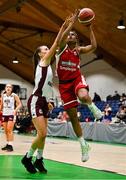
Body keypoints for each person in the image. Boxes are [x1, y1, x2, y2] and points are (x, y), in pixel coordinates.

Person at [21, 10, 79, 174]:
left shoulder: (47, 65)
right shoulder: (44, 61)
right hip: (35, 100)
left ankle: (39, 160)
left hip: (43, 100)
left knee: (44, 135)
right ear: (40, 54)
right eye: (45, 49)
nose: (48, 50)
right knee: (43, 133)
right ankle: (27, 157)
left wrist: (48, 100)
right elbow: (58, 41)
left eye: (48, 48)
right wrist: (66, 25)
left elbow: (46, 86)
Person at [55, 19, 102, 162]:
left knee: (83, 95)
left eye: (73, 34)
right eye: (68, 34)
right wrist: (70, 24)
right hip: (64, 85)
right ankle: (83, 145)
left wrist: (90, 28)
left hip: (76, 79)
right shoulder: (62, 48)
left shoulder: (78, 50)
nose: (70, 35)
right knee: (73, 118)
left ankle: (93, 108)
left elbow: (94, 46)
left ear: (77, 39)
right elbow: (59, 40)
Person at [0, 84, 22, 151]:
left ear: (11, 89)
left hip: (11, 114)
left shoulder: (14, 95)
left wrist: (15, 110)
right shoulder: (3, 96)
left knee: (9, 129)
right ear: (5, 88)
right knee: (6, 131)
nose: (8, 88)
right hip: (4, 114)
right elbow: (2, 105)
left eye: (10, 87)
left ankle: (11, 145)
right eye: (7, 87)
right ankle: (8, 144)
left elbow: (20, 104)